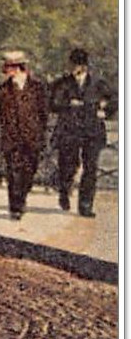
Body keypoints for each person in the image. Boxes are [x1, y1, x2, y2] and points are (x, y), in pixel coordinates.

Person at [49, 48, 116, 219]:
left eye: (77, 65)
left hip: (92, 131)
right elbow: (52, 103)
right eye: (72, 65)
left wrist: (106, 112)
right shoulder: (62, 83)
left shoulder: (98, 83)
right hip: (70, 130)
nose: (73, 69)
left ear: (85, 66)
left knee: (90, 168)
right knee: (68, 165)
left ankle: (85, 205)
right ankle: (64, 190)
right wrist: (67, 104)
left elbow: (114, 99)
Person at [0, 50, 49, 220]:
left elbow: (43, 112)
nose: (6, 71)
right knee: (13, 172)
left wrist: (39, 131)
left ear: (18, 68)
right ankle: (16, 207)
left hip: (32, 137)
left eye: (9, 67)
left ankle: (22, 197)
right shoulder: (4, 89)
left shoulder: (37, 87)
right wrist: (6, 128)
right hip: (12, 138)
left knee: (29, 170)